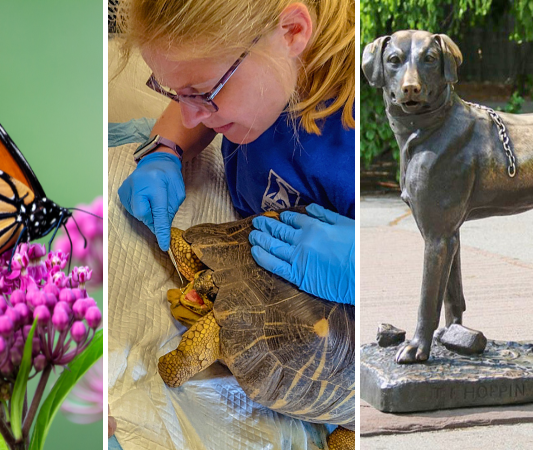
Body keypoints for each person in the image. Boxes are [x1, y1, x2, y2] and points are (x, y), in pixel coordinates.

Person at [116, 0, 355, 305]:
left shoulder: (350, 140)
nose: (190, 117)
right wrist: (163, 151)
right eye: (178, 94)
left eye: (204, 93)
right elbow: (190, 98)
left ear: (292, 32)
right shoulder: (270, 67)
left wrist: (355, 266)